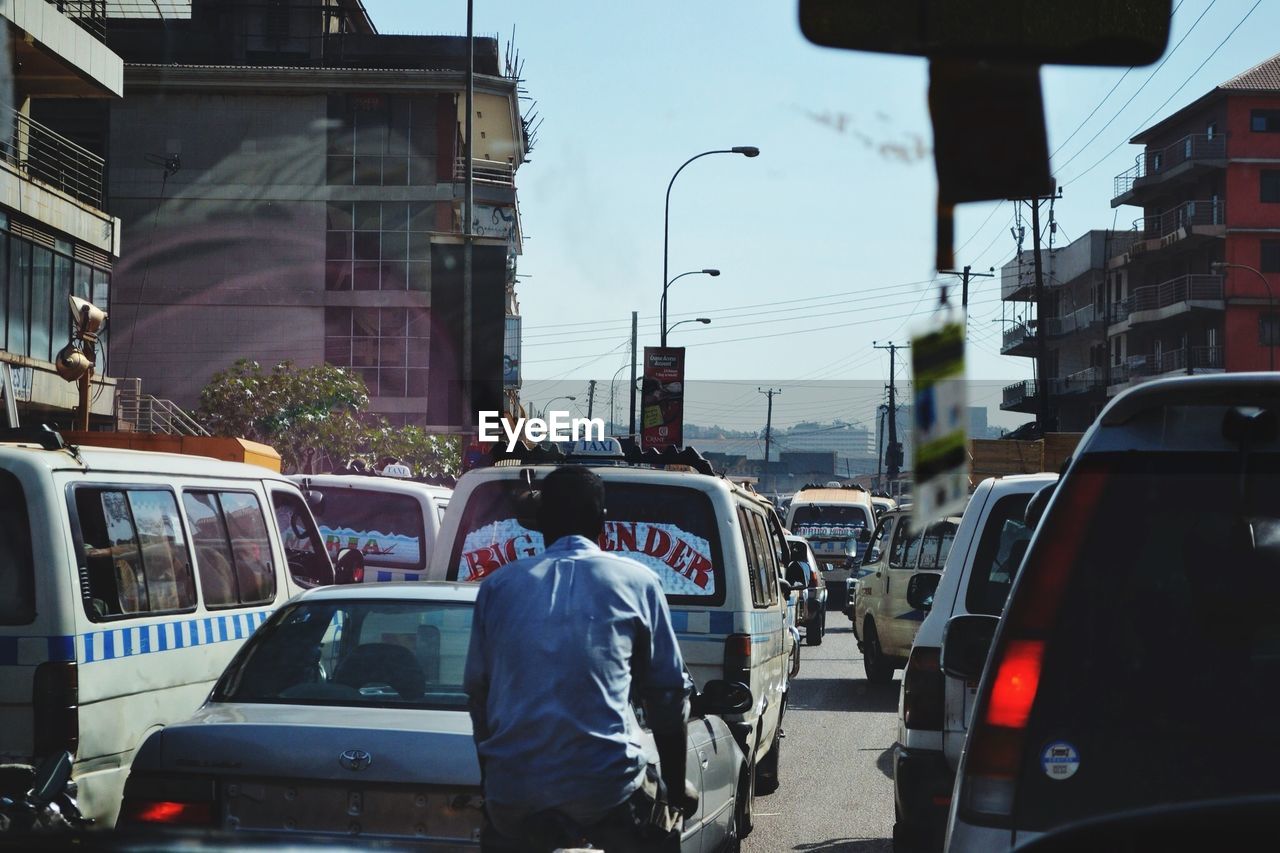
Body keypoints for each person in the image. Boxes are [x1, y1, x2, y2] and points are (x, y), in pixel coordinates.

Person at [464, 466, 695, 852]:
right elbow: (667, 697)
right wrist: (673, 789)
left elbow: (478, 698)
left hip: (514, 795)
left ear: (538, 522)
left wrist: (496, 785)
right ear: (602, 522)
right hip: (609, 789)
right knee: (663, 831)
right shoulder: (638, 582)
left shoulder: (497, 587)